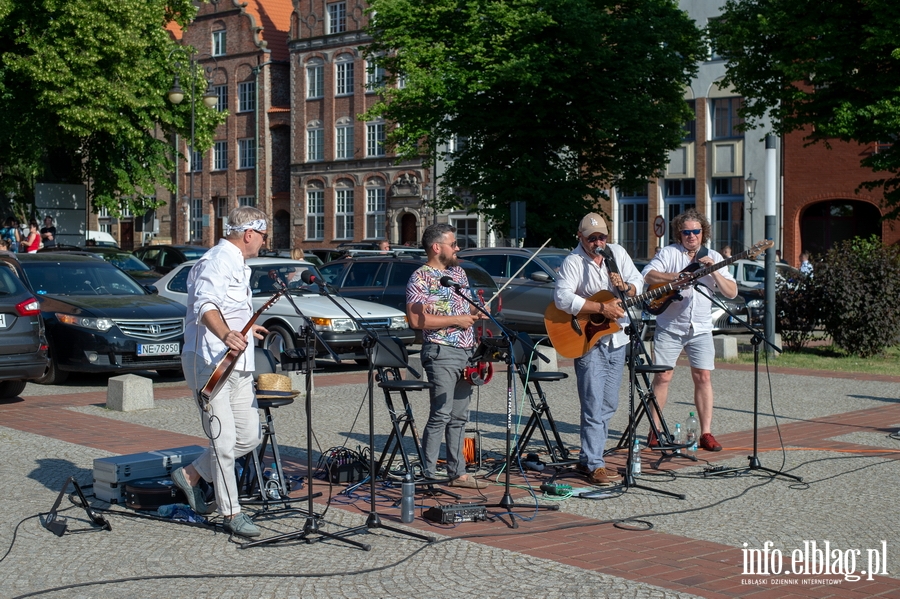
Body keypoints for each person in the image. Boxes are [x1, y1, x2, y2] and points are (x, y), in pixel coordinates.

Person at [172, 206, 269, 539]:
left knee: (250, 436)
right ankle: (232, 512)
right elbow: (205, 305)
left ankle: (192, 474)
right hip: (210, 362)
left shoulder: (239, 264)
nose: (264, 243)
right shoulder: (217, 260)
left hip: (237, 363)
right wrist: (225, 333)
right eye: (264, 236)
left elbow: (229, 309)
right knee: (224, 441)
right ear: (249, 234)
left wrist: (245, 330)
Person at [553, 213, 643, 486]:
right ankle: (595, 462)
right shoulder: (573, 261)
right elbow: (562, 297)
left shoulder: (617, 254)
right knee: (593, 403)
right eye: (592, 238)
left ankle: (588, 456)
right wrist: (600, 308)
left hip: (618, 339)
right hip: (588, 340)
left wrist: (626, 287)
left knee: (609, 403)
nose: (598, 241)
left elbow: (639, 282)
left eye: (602, 236)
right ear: (580, 237)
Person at [641, 208, 737, 452]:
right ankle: (655, 430)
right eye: (687, 232)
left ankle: (705, 433)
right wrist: (673, 278)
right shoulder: (669, 252)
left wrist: (714, 269)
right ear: (679, 234)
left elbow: (732, 292)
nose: (692, 236)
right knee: (662, 377)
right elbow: (647, 274)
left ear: (703, 233)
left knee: (703, 377)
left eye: (696, 231)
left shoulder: (713, 256)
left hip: (701, 327)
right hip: (670, 326)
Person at [406, 223, 487, 489]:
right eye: (453, 244)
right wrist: (458, 319)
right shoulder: (420, 277)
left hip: (466, 351)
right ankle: (429, 472)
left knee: (460, 416)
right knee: (441, 413)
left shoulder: (459, 274)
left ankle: (458, 472)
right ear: (436, 247)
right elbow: (416, 320)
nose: (457, 248)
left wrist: (477, 313)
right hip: (440, 350)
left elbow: (467, 309)